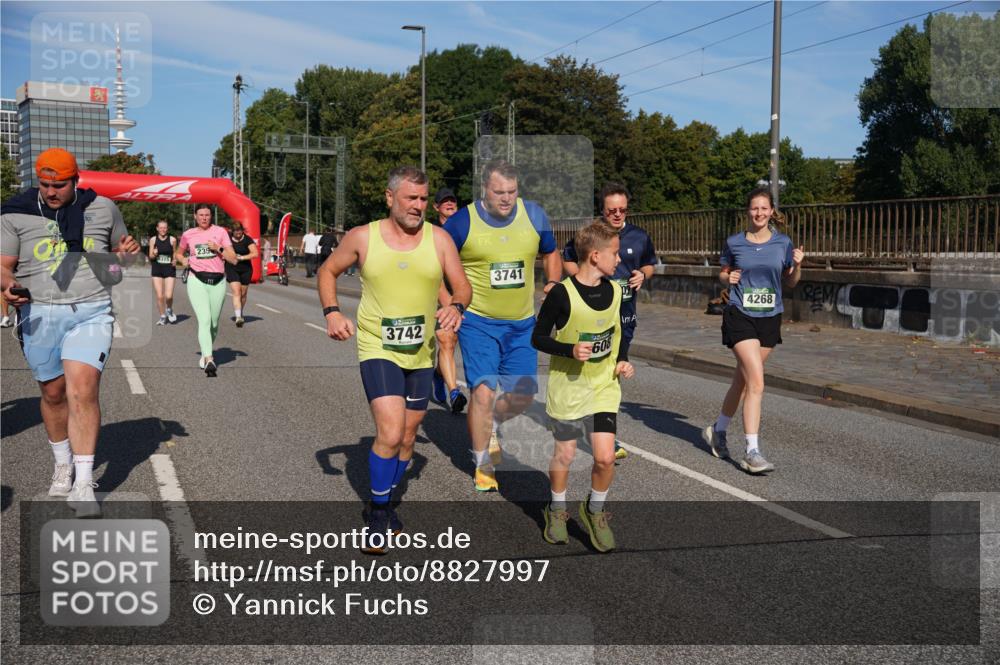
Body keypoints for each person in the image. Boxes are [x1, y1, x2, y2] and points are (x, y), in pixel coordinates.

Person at [318, 166, 471, 554]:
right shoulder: (362, 237)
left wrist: (456, 306)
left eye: (423, 199)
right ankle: (379, 513)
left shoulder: (438, 239)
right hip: (377, 347)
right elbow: (327, 271)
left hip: (421, 352)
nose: (418, 206)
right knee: (389, 433)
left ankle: (383, 496)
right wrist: (332, 311)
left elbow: (462, 286)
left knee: (406, 439)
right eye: (410, 199)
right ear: (390, 198)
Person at [0, 147, 140, 516]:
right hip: (40, 314)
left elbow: (115, 268)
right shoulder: (16, 211)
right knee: (53, 393)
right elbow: (3, 266)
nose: (50, 192)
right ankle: (62, 463)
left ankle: (82, 483)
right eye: (44, 184)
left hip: (91, 311)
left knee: (83, 389)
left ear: (76, 180)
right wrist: (8, 286)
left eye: (58, 185)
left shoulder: (103, 208)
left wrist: (124, 260)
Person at [444, 159, 562, 492]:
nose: (506, 198)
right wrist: (450, 305)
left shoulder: (534, 215)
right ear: (485, 189)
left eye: (511, 191)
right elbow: (437, 261)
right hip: (478, 322)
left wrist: (552, 282)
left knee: (523, 394)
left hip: (523, 324)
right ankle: (482, 463)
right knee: (482, 392)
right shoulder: (462, 222)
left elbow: (550, 252)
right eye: (499, 192)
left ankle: (491, 424)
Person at [534, 220, 634, 552]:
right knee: (565, 453)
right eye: (615, 254)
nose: (619, 260)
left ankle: (594, 510)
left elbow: (618, 333)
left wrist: (622, 359)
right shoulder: (562, 294)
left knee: (605, 458)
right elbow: (538, 338)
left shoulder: (617, 291)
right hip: (568, 387)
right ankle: (558, 509)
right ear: (595, 256)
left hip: (604, 386)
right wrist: (569, 350)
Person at [702, 187, 804, 474]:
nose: (759, 213)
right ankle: (752, 451)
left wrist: (797, 266)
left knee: (744, 381)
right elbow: (723, 272)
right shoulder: (735, 242)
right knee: (757, 381)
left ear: (772, 211)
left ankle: (717, 431)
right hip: (739, 314)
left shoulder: (783, 243)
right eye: (754, 208)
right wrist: (727, 276)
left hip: (770, 317)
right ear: (747, 211)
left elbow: (791, 282)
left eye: (764, 208)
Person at [563, 183, 656, 461]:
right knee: (592, 368)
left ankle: (604, 431)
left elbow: (650, 263)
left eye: (622, 210)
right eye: (611, 210)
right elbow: (567, 260)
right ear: (602, 210)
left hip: (624, 316)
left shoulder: (639, 236)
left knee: (614, 372)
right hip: (592, 315)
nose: (617, 215)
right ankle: (583, 418)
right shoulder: (590, 235)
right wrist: (588, 278)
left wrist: (643, 275)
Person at [175, 203, 238, 377]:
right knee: (205, 319)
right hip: (197, 280)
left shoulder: (220, 232)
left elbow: (233, 259)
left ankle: (205, 351)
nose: (204, 218)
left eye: (207, 215)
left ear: (211, 216)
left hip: (217, 281)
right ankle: (209, 358)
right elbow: (178, 253)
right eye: (201, 215)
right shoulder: (188, 234)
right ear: (195, 216)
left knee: (214, 323)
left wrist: (218, 248)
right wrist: (183, 260)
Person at [429, 187, 467, 414]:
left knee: (455, 343)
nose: (450, 204)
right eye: (445, 202)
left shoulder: (465, 230)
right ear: (436, 207)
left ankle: (437, 375)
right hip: (439, 295)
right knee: (447, 341)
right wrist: (447, 302)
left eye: (452, 201)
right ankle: (454, 392)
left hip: (466, 296)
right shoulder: (432, 233)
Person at [225, 222, 258, 327]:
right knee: (236, 291)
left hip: (246, 269)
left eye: (239, 230)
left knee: (243, 294)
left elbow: (255, 253)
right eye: (235, 230)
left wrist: (242, 258)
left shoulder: (247, 239)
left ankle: (240, 311)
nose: (238, 232)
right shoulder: (228, 239)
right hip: (231, 268)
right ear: (232, 231)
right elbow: (222, 249)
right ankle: (238, 317)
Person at [148, 219, 178, 325]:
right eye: (161, 228)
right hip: (157, 268)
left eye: (165, 228)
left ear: (167, 228)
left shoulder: (173, 239)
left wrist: (175, 260)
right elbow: (150, 256)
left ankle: (169, 310)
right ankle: (162, 316)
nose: (163, 230)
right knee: (160, 296)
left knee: (168, 295)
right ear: (157, 228)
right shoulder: (153, 240)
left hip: (169, 268)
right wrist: (154, 254)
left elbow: (175, 252)